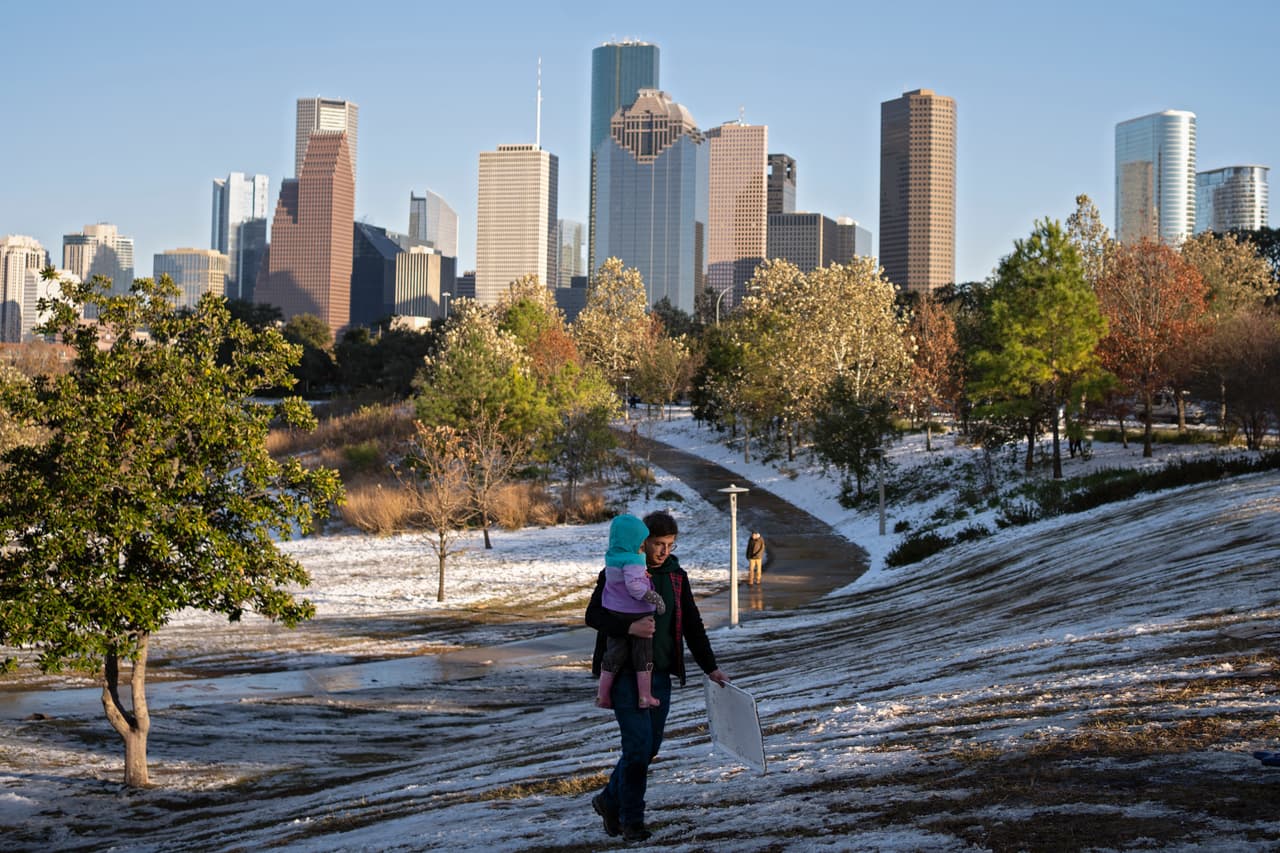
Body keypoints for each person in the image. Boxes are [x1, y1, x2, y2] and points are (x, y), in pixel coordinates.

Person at [586, 510, 730, 843]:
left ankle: (608, 800)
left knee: (648, 749)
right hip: (625, 674)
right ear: (642, 542)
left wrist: (710, 667)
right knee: (637, 748)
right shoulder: (617, 571)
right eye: (658, 544)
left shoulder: (676, 576)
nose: (664, 551)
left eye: (670, 544)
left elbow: (692, 624)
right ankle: (632, 821)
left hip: (659, 674)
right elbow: (592, 615)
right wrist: (628, 626)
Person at [595, 513, 666, 710]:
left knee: (614, 653)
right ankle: (645, 695)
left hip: (614, 609)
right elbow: (635, 587)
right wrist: (653, 596)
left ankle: (602, 695)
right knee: (643, 654)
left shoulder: (612, 558)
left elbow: (623, 579)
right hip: (635, 611)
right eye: (641, 541)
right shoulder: (634, 559)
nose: (642, 545)